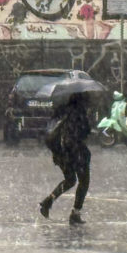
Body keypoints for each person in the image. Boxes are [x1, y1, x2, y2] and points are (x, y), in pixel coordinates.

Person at [39, 92, 92, 226]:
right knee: (83, 181)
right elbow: (81, 133)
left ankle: (48, 201)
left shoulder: (62, 111)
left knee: (70, 180)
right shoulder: (78, 113)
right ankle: (75, 213)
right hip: (75, 153)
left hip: (61, 153)